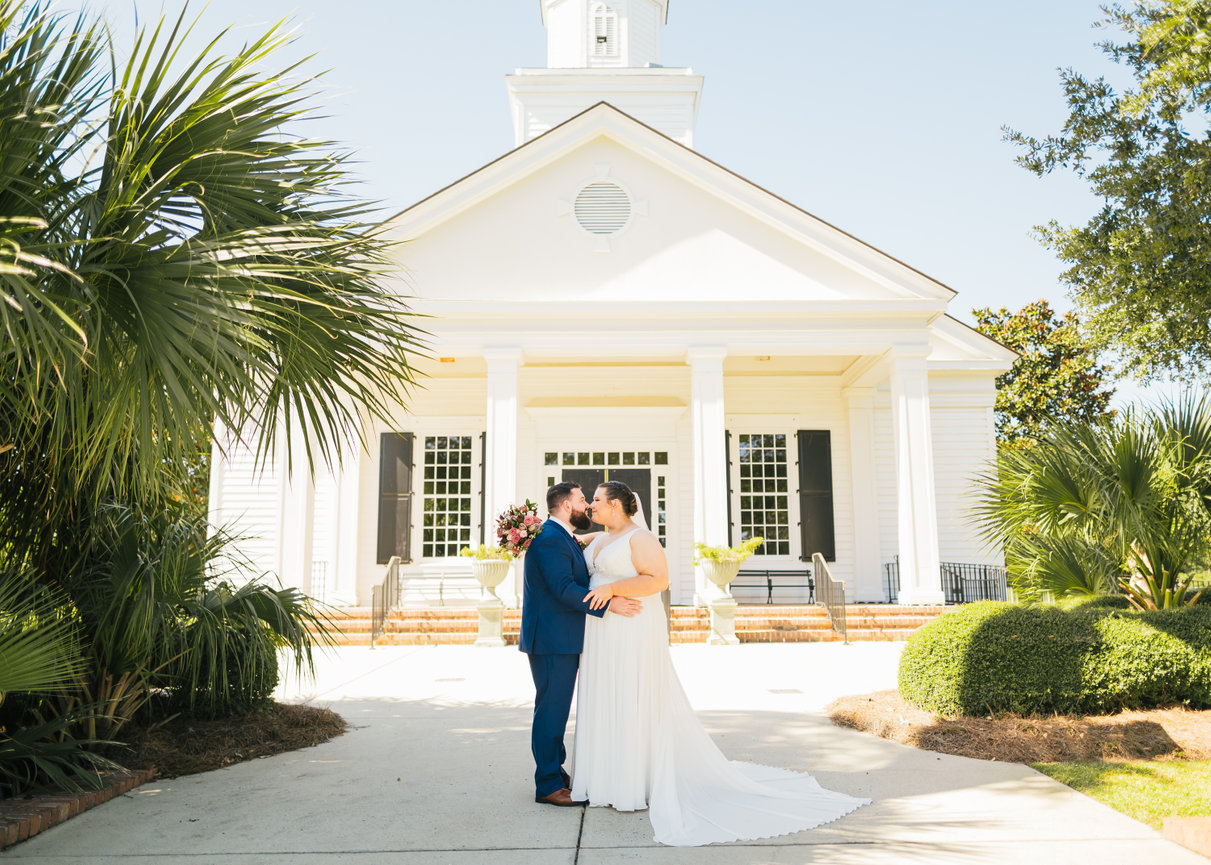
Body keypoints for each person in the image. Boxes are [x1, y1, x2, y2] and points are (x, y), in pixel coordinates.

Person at [571, 480, 869, 846]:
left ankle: (633, 780)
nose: (591, 507)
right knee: (607, 695)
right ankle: (605, 776)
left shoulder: (641, 538)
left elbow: (658, 579)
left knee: (631, 692)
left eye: (598, 501)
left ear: (617, 505)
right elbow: (569, 547)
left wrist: (612, 589)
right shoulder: (598, 539)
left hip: (631, 627)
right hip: (602, 630)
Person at [519, 481, 642, 807]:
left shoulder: (559, 535)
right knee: (551, 711)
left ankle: (555, 774)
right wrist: (610, 603)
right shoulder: (548, 538)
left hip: (559, 637)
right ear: (564, 506)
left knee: (555, 710)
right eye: (582, 499)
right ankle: (547, 784)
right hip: (551, 639)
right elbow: (562, 588)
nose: (587, 505)